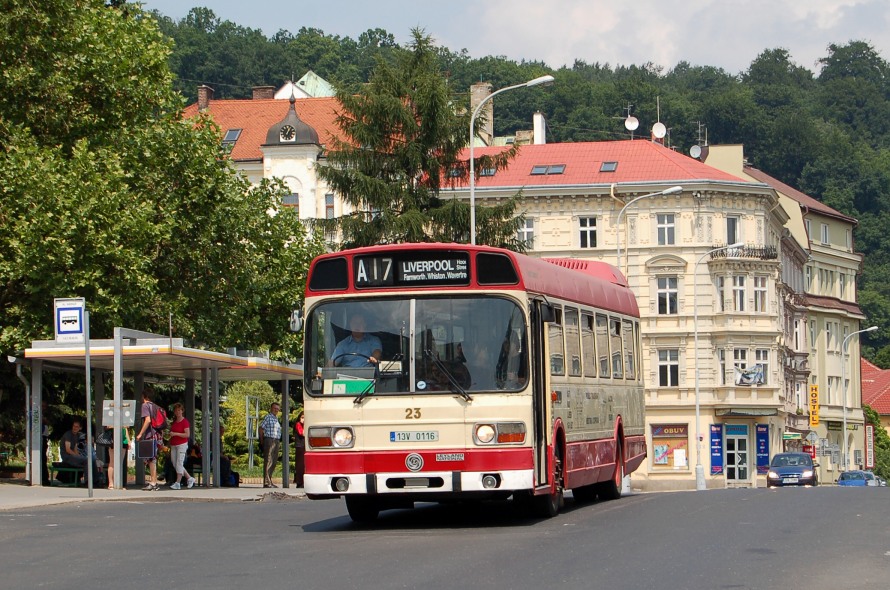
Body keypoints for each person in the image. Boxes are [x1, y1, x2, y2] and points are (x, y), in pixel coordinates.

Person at [59, 417, 103, 485]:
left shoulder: (77, 435)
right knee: (86, 460)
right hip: (67, 457)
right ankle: (87, 481)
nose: (75, 428)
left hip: (73, 456)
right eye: (74, 426)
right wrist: (77, 456)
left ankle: (95, 480)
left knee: (92, 460)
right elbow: (68, 449)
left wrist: (78, 456)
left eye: (77, 427)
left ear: (80, 428)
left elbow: (75, 448)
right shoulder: (68, 434)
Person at [135, 387, 163, 491]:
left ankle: (153, 482)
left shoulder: (145, 405)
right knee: (153, 459)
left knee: (151, 459)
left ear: (144, 396)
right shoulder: (155, 406)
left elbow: (147, 420)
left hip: (151, 434)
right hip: (157, 435)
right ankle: (154, 482)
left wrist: (140, 434)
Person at [168, 403, 196, 490]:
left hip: (182, 445)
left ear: (182, 411)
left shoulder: (185, 422)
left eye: (179, 410)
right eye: (176, 410)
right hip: (173, 444)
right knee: (174, 463)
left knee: (179, 462)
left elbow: (187, 435)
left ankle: (178, 482)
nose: (177, 412)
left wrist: (176, 434)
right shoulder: (174, 422)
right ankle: (189, 478)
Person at [259, 402, 282, 488]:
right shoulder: (268, 417)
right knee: (269, 460)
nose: (276, 410)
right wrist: (262, 440)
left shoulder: (276, 418)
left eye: (277, 409)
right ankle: (266, 482)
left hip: (276, 440)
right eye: (275, 408)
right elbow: (261, 428)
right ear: (271, 409)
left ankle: (269, 480)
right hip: (269, 439)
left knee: (274, 461)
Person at [103, 425, 131, 490]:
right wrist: (119, 425)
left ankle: (119, 483)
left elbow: (125, 428)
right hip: (113, 439)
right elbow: (107, 426)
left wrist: (128, 440)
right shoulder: (110, 416)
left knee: (120, 462)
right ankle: (111, 483)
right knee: (112, 461)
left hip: (123, 439)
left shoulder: (124, 416)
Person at [293, 410, 305, 487]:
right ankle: (299, 481)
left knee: (304, 465)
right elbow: (302, 433)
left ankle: (302, 481)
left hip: (304, 446)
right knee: (300, 465)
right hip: (300, 446)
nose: (303, 419)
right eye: (302, 417)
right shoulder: (298, 424)